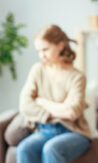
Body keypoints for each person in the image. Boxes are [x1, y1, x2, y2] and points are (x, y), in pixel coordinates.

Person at [17, 25, 92, 163]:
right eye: (38, 51)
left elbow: (71, 112)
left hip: (73, 132)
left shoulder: (77, 77)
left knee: (51, 149)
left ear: (60, 46)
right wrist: (55, 112)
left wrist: (42, 101)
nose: (41, 55)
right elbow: (24, 105)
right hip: (45, 130)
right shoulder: (37, 70)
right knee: (24, 149)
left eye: (45, 49)